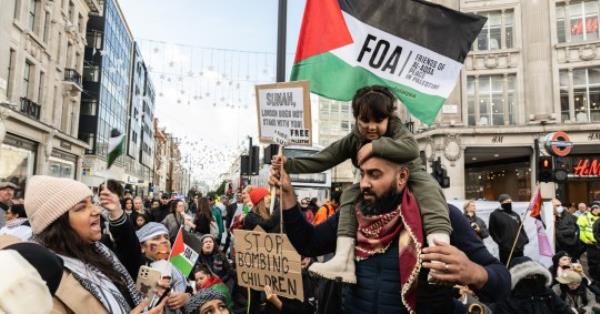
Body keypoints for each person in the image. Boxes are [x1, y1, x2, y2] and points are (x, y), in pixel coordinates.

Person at [270, 153, 510, 313]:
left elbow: (502, 283)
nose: (364, 183)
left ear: (402, 177)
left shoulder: (439, 219)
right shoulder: (354, 216)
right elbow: (308, 243)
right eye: (362, 173)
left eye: (375, 175)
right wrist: (289, 196)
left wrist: (474, 272)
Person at [281, 85, 451, 283]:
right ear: (356, 118)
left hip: (416, 177)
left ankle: (441, 259)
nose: (371, 127)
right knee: (349, 194)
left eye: (378, 121)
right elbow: (325, 158)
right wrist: (288, 164)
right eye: (364, 120)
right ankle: (343, 259)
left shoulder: (397, 130)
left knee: (429, 190)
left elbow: (411, 148)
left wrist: (374, 146)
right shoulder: (354, 141)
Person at [23, 176, 160, 313]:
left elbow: (130, 255)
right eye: (81, 207)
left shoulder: (98, 250)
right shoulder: (45, 279)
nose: (97, 211)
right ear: (57, 223)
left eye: (92, 202)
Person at [135, 222, 191, 311]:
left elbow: (191, 290)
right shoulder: (136, 271)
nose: (164, 241)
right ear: (142, 247)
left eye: (166, 237)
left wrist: (186, 298)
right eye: (156, 238)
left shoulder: (177, 266)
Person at [491, 256, 573, 314]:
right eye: (526, 276)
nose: (531, 278)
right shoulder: (506, 299)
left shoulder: (546, 292)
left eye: (534, 275)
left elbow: (563, 309)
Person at [489, 193, 529, 265]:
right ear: (501, 203)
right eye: (507, 202)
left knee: (519, 267)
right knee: (507, 267)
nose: (509, 203)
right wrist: (501, 243)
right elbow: (492, 231)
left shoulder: (515, 215)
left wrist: (524, 240)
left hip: (519, 248)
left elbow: (521, 228)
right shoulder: (495, 215)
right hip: (506, 249)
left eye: (510, 201)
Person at [578, 204, 600, 282]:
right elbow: (580, 231)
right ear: (594, 209)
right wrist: (585, 240)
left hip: (598, 243)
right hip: (591, 243)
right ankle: (593, 278)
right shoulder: (584, 217)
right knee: (593, 262)